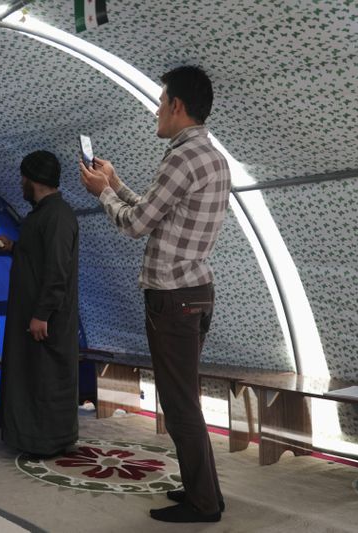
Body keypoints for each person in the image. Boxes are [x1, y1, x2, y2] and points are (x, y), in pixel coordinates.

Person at [79, 65, 231, 523]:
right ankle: (204, 493)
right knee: (183, 397)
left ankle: (205, 503)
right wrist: (117, 182)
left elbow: (135, 224)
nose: (157, 111)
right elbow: (157, 211)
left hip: (173, 297)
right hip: (196, 290)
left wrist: (102, 194)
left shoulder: (181, 157)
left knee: (180, 401)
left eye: (161, 102)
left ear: (177, 106)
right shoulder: (211, 155)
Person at [0, 150, 80, 457]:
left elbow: (57, 269)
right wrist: (13, 247)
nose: (21, 185)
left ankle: (49, 442)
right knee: (30, 376)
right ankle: (28, 438)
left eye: (23, 179)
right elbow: (37, 257)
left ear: (35, 181)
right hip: (29, 312)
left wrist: (42, 314)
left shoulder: (58, 215)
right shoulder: (41, 213)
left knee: (46, 379)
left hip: (47, 318)